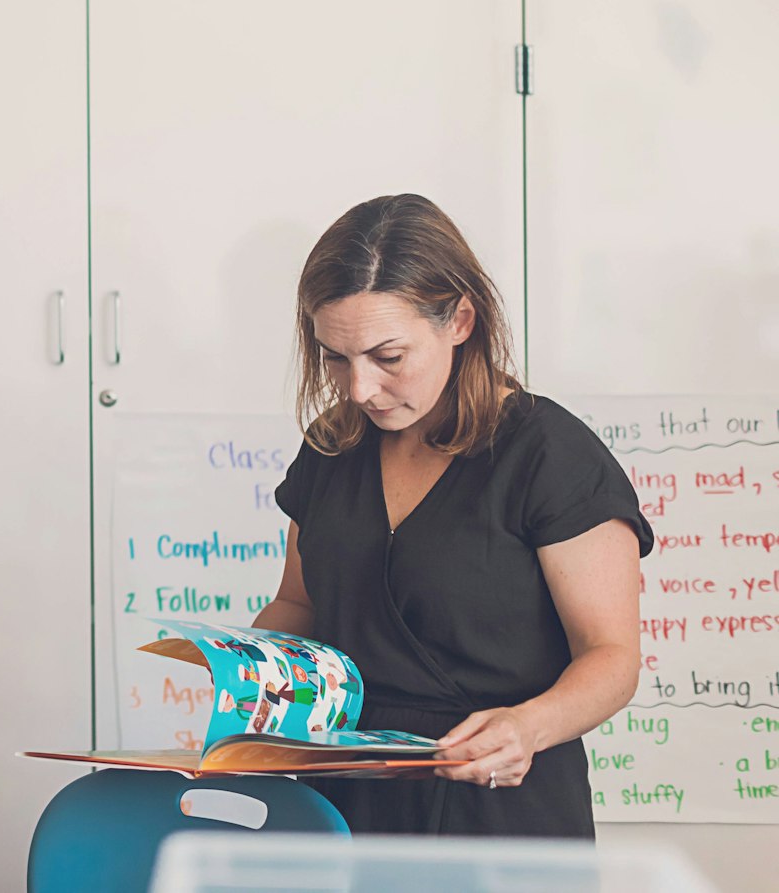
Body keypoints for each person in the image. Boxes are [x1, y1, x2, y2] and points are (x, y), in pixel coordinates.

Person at [254, 194, 651, 837]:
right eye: (334, 357)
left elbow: (611, 658)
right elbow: (297, 608)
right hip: (337, 803)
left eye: (388, 357)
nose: (359, 390)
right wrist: (249, 678)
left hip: (498, 805)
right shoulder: (333, 444)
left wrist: (527, 726)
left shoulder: (550, 454)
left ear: (460, 320)